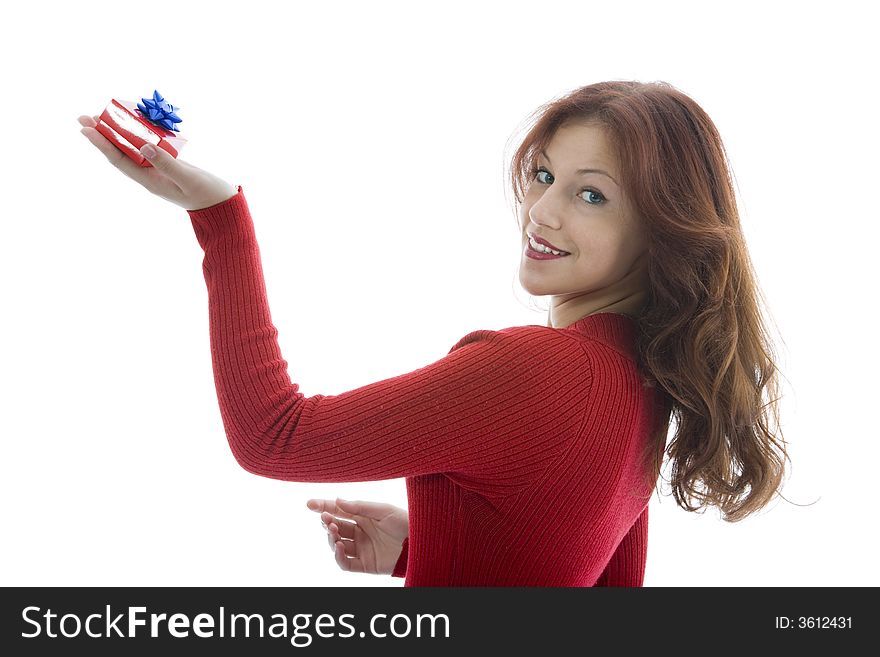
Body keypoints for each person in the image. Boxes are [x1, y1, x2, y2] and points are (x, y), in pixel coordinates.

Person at [78, 80, 789, 586]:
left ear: (659, 228)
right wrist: (430, 553)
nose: (541, 211)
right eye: (543, 174)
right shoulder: (646, 378)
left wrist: (222, 217)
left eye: (591, 194)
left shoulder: (531, 369)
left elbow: (273, 434)